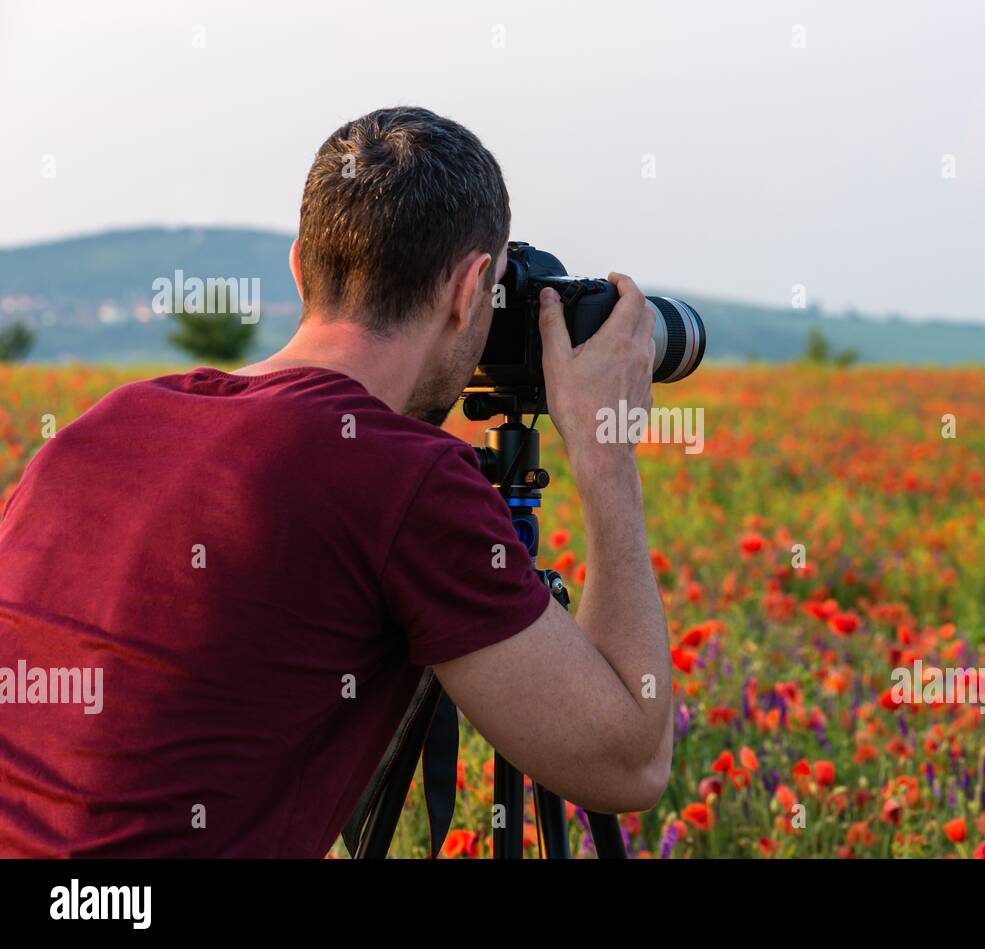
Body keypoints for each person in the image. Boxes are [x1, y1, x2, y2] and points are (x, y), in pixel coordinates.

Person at [0, 107, 672, 857]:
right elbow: (631, 761)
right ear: (471, 287)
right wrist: (606, 453)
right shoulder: (397, 474)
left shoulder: (99, 431)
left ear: (299, 268)